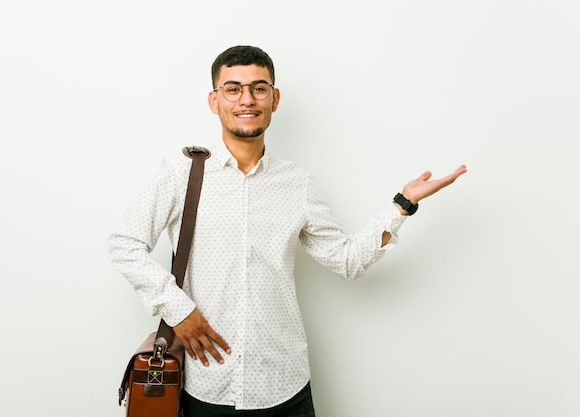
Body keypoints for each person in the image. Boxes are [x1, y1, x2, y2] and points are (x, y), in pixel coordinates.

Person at [108, 45, 467, 417]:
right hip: (209, 386)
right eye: (233, 89)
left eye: (258, 88)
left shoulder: (298, 184)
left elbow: (346, 261)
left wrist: (402, 204)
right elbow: (124, 244)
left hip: (285, 386)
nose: (247, 99)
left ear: (274, 98)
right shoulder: (180, 173)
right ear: (214, 101)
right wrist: (179, 309)